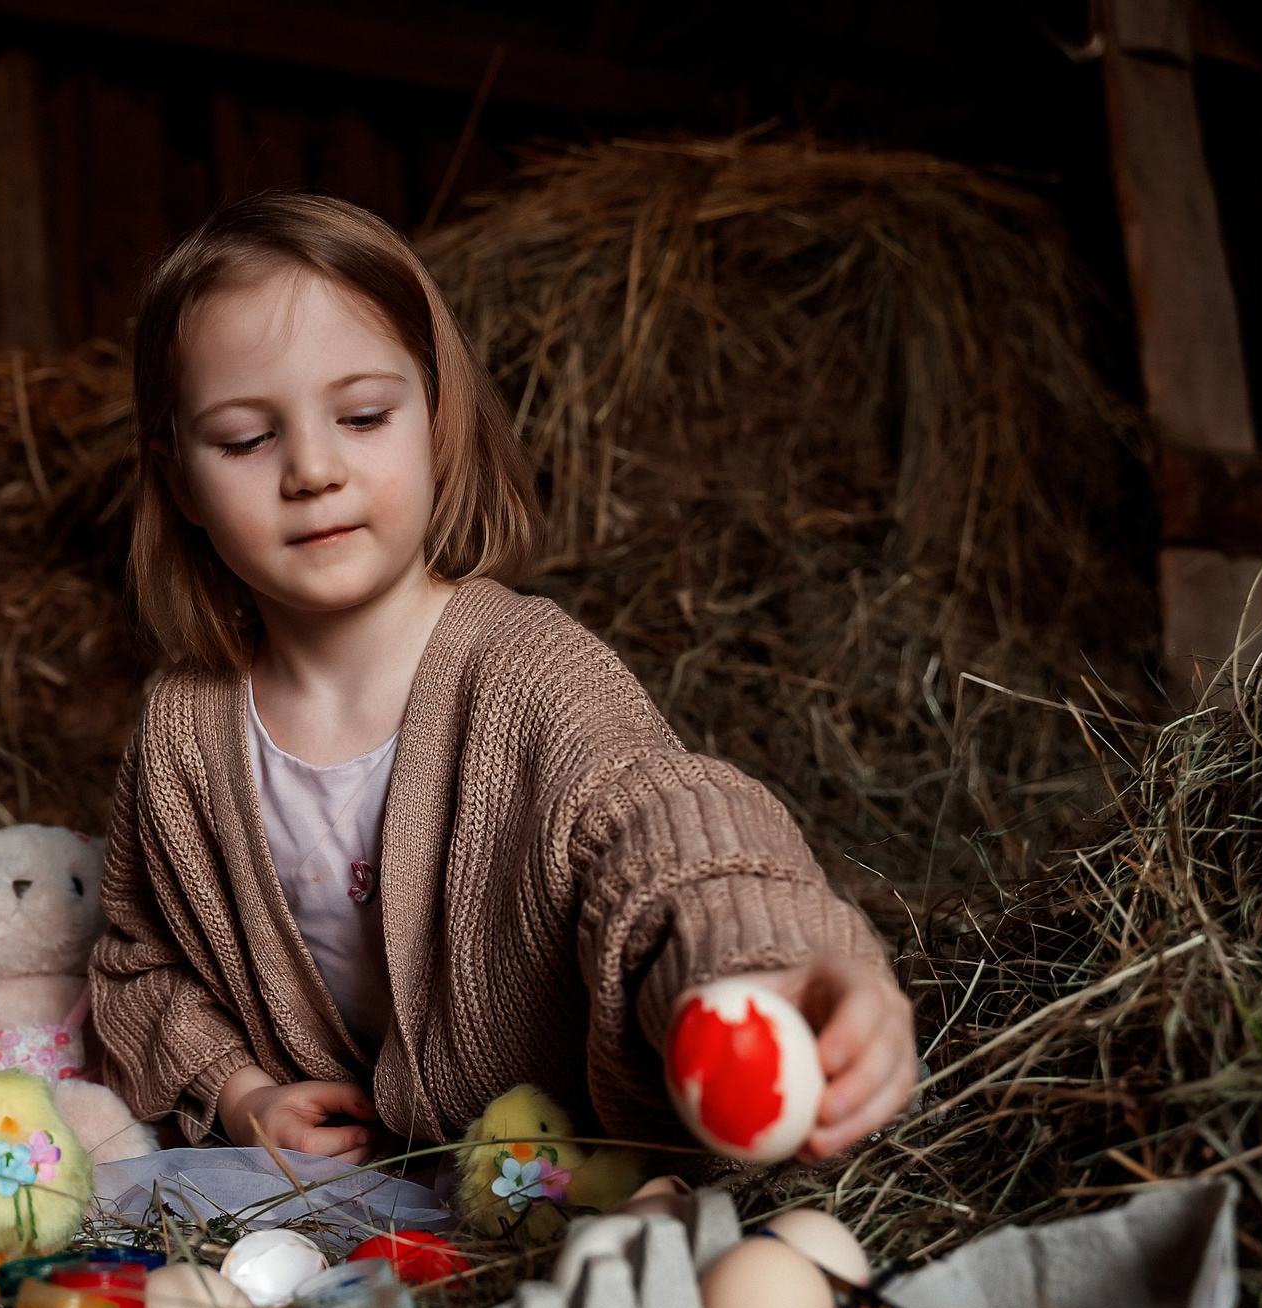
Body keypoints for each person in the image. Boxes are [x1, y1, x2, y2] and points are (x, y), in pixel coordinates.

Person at [89, 191, 917, 1171]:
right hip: (336, 1209)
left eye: (360, 416)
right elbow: (139, 961)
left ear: (435, 418)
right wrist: (239, 1091)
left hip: (567, 1176)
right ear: (179, 478)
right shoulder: (183, 733)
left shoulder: (531, 671)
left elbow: (667, 839)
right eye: (243, 438)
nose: (312, 468)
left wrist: (759, 966)